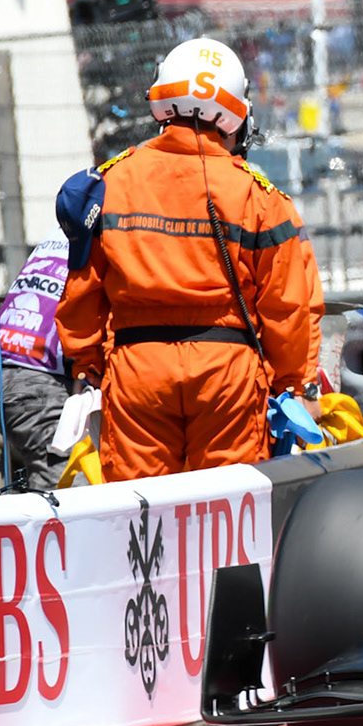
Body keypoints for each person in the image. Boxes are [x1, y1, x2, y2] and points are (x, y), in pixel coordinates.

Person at [56, 38, 320, 482]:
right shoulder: (259, 195)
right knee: (227, 518)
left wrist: (87, 367)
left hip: (137, 372)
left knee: (140, 521)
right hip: (227, 375)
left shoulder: (111, 183)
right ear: (234, 115)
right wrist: (294, 384)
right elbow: (287, 307)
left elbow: (83, 293)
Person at [0, 236, 73, 490]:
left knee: (47, 482)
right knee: (69, 492)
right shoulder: (105, 229)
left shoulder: (59, 233)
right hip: (37, 382)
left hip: (2, 374)